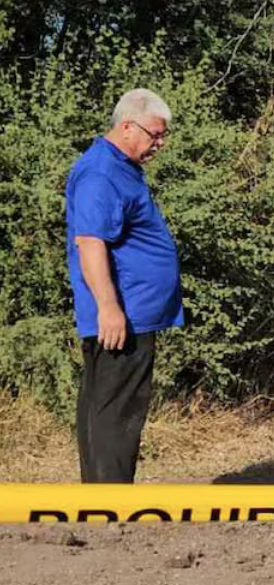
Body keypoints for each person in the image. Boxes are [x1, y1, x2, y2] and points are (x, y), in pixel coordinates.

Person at [66, 88, 182, 483]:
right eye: (155, 135)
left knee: (108, 411)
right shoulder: (101, 173)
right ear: (128, 126)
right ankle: (110, 503)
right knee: (116, 417)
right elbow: (90, 242)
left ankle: (101, 498)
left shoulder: (121, 167)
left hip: (134, 313)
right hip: (122, 317)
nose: (160, 144)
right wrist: (109, 307)